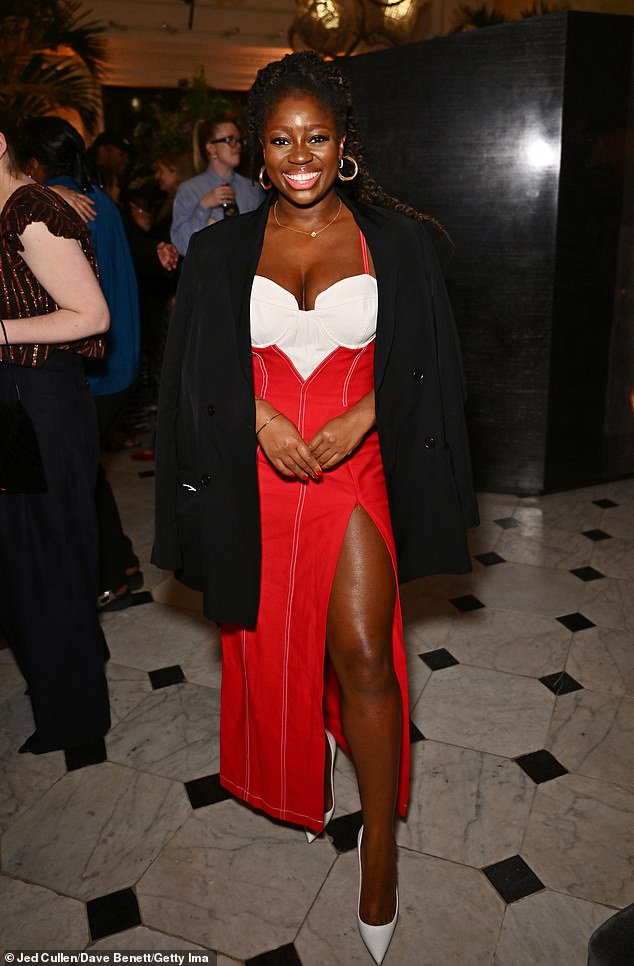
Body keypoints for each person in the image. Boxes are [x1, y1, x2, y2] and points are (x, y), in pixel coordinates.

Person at [153, 52, 478, 964]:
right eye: (282, 139)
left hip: (354, 467)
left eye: (318, 138)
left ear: (344, 147)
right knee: (272, 640)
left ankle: (382, 853)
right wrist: (257, 416)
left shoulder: (396, 244)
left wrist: (365, 414)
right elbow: (192, 371)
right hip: (253, 474)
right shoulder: (222, 251)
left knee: (367, 652)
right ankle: (307, 762)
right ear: (261, 151)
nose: (300, 155)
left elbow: (430, 362)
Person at [0, 109, 111, 753]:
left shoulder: (30, 210)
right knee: (26, 556)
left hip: (37, 401)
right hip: (16, 397)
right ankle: (66, 678)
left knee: (42, 558)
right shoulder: (15, 207)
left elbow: (90, 314)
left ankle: (74, 719)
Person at [20, 116, 144, 610]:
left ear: (32, 162)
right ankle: (119, 565)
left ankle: (106, 574)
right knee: (84, 472)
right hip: (119, 361)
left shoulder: (59, 207)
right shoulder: (91, 198)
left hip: (95, 368)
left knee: (73, 478)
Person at [170, 115, 264, 255]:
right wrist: (203, 206)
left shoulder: (252, 189)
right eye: (230, 140)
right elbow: (182, 246)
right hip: (206, 274)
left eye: (239, 140)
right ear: (211, 148)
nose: (237, 146)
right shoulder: (189, 190)